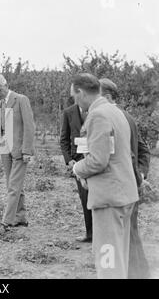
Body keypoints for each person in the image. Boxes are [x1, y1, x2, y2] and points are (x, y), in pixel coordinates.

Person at [72, 73, 139, 279]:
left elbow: (98, 161)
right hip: (123, 194)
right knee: (118, 258)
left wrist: (77, 168)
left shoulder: (98, 115)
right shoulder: (114, 111)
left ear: (81, 93)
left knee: (108, 261)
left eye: (73, 96)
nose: (74, 101)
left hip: (108, 198)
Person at [99, 78, 151, 279]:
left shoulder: (111, 118)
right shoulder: (127, 116)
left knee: (121, 236)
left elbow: (137, 150)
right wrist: (140, 174)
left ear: (108, 97)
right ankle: (140, 273)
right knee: (130, 234)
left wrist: (138, 175)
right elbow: (142, 150)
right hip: (129, 185)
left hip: (118, 187)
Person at [0, 74, 35, 231]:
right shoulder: (0, 104)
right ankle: (20, 217)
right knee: (13, 185)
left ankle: (6, 222)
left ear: (6, 85)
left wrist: (27, 150)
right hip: (5, 150)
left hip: (20, 151)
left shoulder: (21, 99)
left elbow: (29, 126)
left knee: (13, 187)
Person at [60, 102, 92, 242]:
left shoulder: (96, 109)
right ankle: (90, 233)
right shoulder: (68, 112)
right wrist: (69, 160)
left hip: (96, 159)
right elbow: (64, 139)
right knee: (84, 198)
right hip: (78, 162)